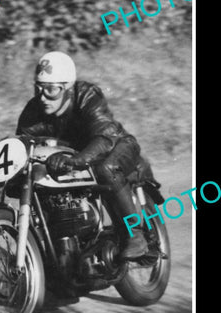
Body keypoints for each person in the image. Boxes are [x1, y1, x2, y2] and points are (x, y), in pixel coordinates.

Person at [16, 51, 150, 260]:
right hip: (75, 156)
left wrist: (76, 160)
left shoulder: (87, 96)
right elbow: (22, 143)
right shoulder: (34, 110)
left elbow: (105, 137)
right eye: (39, 89)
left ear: (68, 88)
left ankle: (135, 235)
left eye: (51, 90)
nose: (43, 98)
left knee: (105, 169)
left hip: (115, 145)